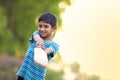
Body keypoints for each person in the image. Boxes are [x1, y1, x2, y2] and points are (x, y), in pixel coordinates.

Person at [16, 12, 59, 80]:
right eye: (40, 26)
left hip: (36, 77)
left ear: (54, 28)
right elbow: (35, 36)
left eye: (46, 26)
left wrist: (43, 51)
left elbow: (49, 50)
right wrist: (39, 40)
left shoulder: (54, 45)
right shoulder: (37, 35)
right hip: (23, 74)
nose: (42, 29)